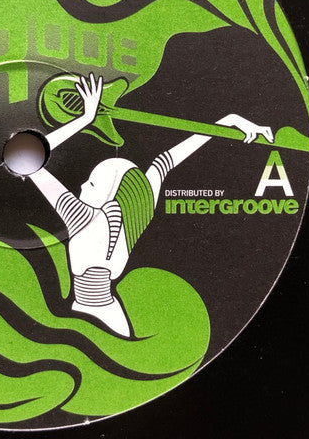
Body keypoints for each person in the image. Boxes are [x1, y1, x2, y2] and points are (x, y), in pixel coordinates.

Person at [28, 73, 274, 336]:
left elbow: (30, 159)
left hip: (83, 315)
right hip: (114, 315)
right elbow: (165, 160)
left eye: (92, 183)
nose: (82, 185)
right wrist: (231, 121)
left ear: (108, 194)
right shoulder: (138, 212)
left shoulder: (82, 217)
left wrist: (85, 119)